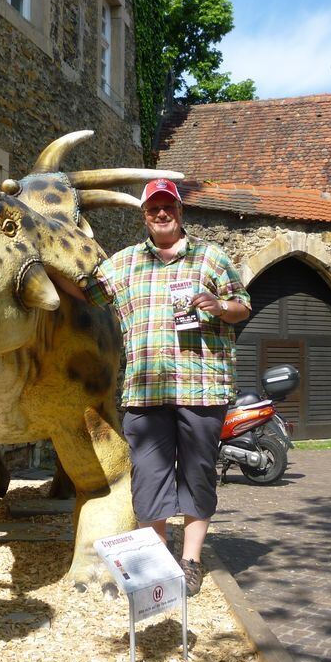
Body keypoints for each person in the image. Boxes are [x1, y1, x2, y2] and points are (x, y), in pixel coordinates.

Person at [79, 178, 251, 596]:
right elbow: (86, 292)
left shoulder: (211, 258)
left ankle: (190, 561)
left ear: (179, 212)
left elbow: (242, 304)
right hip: (145, 393)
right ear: (144, 215)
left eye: (168, 206)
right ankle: (157, 562)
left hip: (202, 390)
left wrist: (219, 305)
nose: (161, 213)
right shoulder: (123, 264)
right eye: (153, 207)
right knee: (149, 480)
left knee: (198, 476)